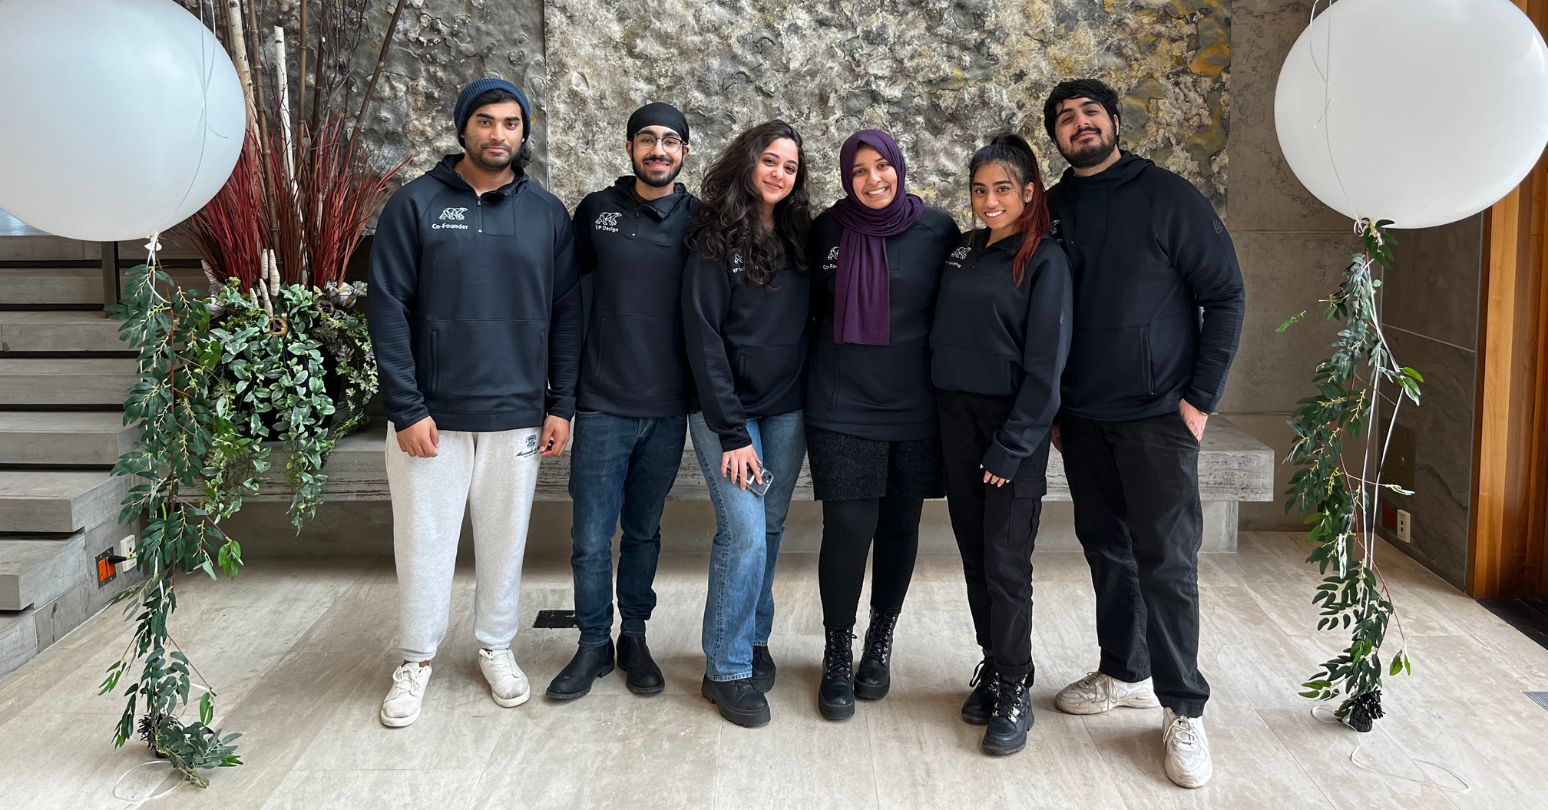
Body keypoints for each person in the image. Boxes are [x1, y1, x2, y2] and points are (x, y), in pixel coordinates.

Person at [1042, 78, 1245, 787]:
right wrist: (1057, 411)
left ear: (1115, 122)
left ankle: (1183, 705)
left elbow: (1224, 294)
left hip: (1161, 416)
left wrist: (1199, 400)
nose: (1079, 124)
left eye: (1089, 112)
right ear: (1057, 139)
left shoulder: (1169, 197)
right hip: (1085, 420)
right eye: (1065, 119)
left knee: (1168, 560)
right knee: (1107, 550)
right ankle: (1122, 669)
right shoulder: (1054, 208)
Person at [367, 77, 582, 728]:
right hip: (430, 418)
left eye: (511, 123)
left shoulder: (546, 213)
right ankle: (416, 661)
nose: (498, 134)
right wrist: (406, 407)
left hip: (517, 414)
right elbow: (387, 308)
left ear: (523, 134)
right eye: (485, 122)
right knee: (424, 543)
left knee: (504, 540)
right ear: (464, 129)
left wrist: (560, 404)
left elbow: (568, 312)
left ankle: (495, 646)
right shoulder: (415, 205)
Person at [805, 129, 959, 721]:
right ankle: (838, 650)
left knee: (900, 525)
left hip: (916, 405)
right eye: (860, 170)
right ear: (847, 176)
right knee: (847, 530)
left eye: (882, 167)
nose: (873, 180)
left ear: (899, 167)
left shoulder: (938, 230)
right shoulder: (825, 228)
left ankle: (880, 639)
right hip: (841, 403)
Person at [547, 103, 699, 701]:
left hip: (667, 409)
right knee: (590, 536)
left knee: (642, 533)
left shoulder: (701, 219)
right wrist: (562, 395)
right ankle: (592, 643)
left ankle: (634, 635)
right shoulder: (595, 212)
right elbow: (564, 299)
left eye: (670, 141)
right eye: (647, 140)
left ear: (685, 151)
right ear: (630, 147)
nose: (658, 150)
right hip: (602, 404)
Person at [932, 133, 1072, 756]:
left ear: (1029, 192)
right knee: (973, 557)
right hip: (953, 420)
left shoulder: (1045, 259)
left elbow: (1046, 370)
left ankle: (1016, 685)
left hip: (1010, 428)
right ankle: (994, 663)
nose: (990, 201)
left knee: (1007, 564)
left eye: (1003, 190)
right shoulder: (962, 250)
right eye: (980, 190)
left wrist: (1013, 446)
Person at [681, 120, 812, 728]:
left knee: (773, 525)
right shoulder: (711, 236)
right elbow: (703, 339)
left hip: (786, 409)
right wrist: (732, 432)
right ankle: (726, 668)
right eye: (770, 161)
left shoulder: (798, 235)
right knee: (744, 532)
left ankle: (755, 637)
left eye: (789, 166)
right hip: (727, 415)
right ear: (747, 161)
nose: (779, 173)